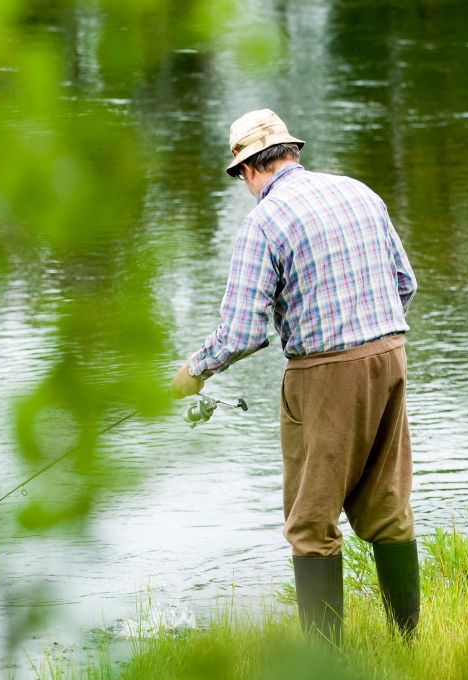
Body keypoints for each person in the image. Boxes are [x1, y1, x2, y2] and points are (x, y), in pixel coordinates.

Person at [170, 109, 419, 646]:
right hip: (390, 356)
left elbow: (242, 332)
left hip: (324, 373)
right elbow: (405, 282)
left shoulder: (266, 219)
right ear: (290, 153)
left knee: (311, 524)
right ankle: (408, 643)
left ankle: (324, 674)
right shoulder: (358, 191)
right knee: (388, 507)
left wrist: (194, 371)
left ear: (247, 171)